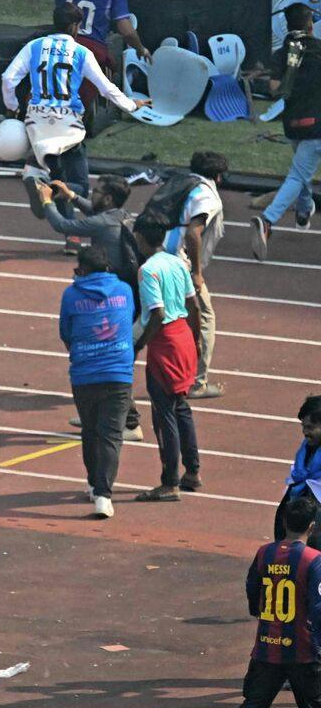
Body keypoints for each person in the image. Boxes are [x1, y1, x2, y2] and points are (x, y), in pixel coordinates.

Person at [217, 491, 321, 708]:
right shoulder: (314, 560)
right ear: (312, 527)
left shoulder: (265, 553)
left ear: (284, 522)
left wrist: (259, 611)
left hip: (267, 647)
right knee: (313, 705)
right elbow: (317, 606)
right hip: (302, 648)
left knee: (254, 703)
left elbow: (252, 587)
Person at [1, 2, 143, 202]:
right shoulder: (81, 52)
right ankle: (47, 188)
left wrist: (12, 107)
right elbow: (105, 88)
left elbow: (8, 78)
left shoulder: (34, 46)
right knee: (80, 188)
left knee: (58, 177)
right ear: (74, 26)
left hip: (37, 120)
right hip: (67, 122)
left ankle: (42, 181)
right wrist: (131, 105)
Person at [61, 247, 137, 521]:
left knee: (90, 430)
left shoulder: (71, 295)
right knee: (111, 436)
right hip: (118, 373)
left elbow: (66, 333)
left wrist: (84, 352)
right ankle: (103, 494)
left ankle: (96, 485)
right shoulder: (124, 290)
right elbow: (129, 318)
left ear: (82, 269)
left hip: (85, 374)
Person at [132, 214, 203, 501]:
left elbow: (158, 314)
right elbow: (193, 304)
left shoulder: (148, 270)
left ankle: (169, 481)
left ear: (140, 237)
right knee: (181, 407)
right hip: (184, 336)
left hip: (165, 344)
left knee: (164, 415)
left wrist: (139, 345)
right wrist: (197, 339)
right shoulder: (177, 263)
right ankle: (192, 471)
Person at [254, 2, 321, 256]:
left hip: (293, 124)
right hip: (317, 125)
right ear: (310, 24)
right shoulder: (318, 48)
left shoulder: (282, 53)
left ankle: (304, 211)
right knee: (297, 175)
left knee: (302, 172)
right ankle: (268, 220)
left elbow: (274, 89)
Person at [165, 151, 228, 400]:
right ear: (219, 176)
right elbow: (193, 233)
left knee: (149, 317)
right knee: (204, 318)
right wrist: (196, 273)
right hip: (177, 263)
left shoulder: (179, 184)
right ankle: (197, 383)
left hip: (154, 254)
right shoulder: (207, 196)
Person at [277, 396, 321, 540]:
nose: (305, 432)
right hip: (301, 510)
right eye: (303, 426)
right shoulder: (306, 449)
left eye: (310, 427)